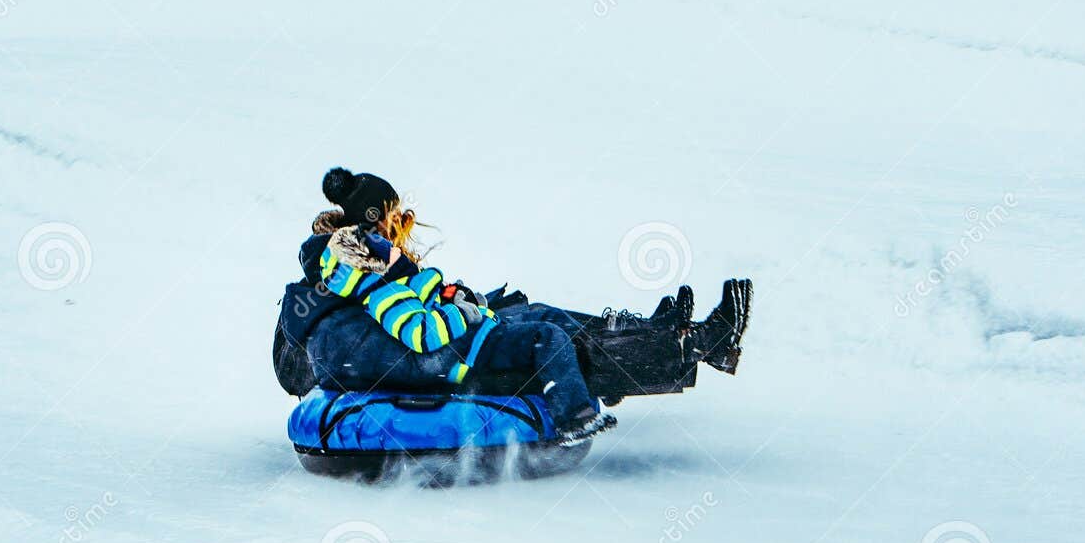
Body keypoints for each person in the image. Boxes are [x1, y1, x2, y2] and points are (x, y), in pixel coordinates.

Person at [273, 167, 751, 442]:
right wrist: (461, 312)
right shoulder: (372, 276)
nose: (405, 221)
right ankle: (682, 351)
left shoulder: (378, 264)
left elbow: (416, 294)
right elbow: (414, 329)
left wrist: (456, 297)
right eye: (395, 214)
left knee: (541, 312)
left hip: (453, 336)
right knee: (550, 339)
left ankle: (661, 332)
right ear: (376, 225)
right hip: (446, 353)